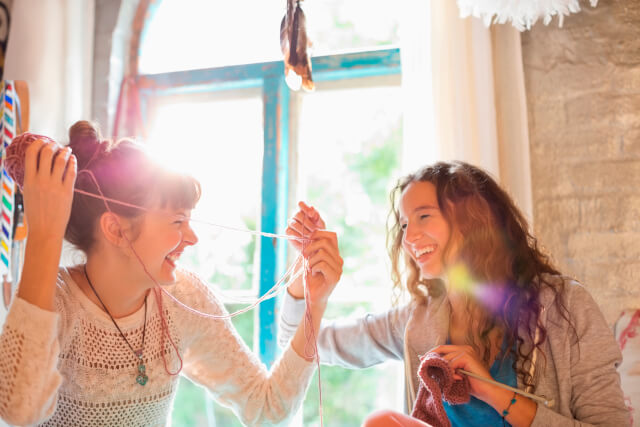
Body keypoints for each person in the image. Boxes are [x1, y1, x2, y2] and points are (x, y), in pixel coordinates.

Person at [0, 121, 342, 426]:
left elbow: (268, 408)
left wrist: (314, 303)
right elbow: (19, 411)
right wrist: (44, 235)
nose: (192, 238)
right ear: (116, 230)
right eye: (178, 221)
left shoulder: (184, 299)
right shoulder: (55, 300)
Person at [280, 161, 628, 426]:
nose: (408, 236)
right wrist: (308, 284)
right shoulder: (418, 317)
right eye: (403, 224)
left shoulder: (564, 305)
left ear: (472, 219)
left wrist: (492, 391)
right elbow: (301, 347)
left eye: (423, 216)